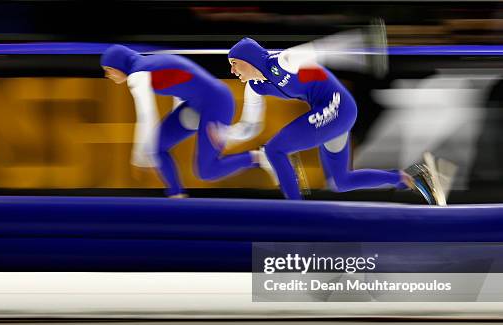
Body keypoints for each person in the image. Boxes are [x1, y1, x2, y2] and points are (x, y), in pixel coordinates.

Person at [213, 34, 444, 205]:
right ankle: (410, 177)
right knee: (341, 182)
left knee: (275, 150)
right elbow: (250, 127)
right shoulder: (254, 88)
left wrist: (368, 47)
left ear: (249, 59)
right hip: (329, 114)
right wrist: (226, 134)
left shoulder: (284, 60)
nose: (232, 71)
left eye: (234, 63)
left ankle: (295, 212)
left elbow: (325, 49)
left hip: (338, 107)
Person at [100, 45, 272, 198]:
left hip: (216, 103)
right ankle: (177, 196)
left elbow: (146, 117)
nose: (107, 75)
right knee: (157, 148)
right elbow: (181, 79)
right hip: (194, 105)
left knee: (206, 171)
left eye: (109, 69)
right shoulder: (149, 63)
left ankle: (260, 157)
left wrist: (138, 158)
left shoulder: (137, 76)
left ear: (119, 64)